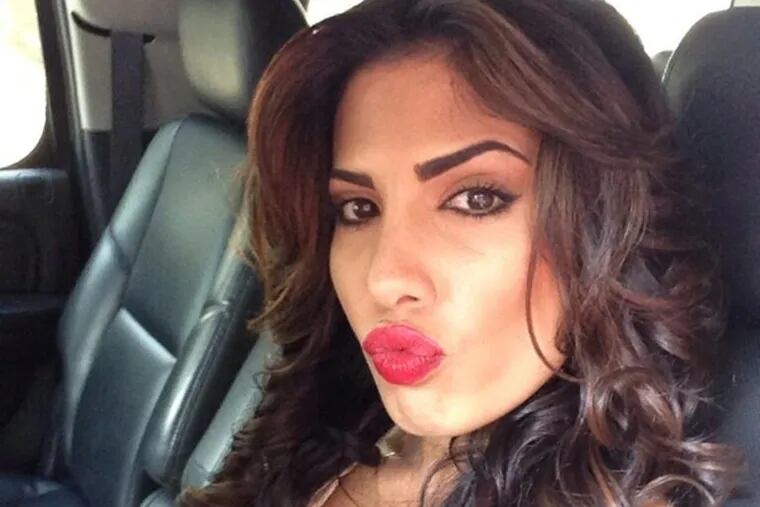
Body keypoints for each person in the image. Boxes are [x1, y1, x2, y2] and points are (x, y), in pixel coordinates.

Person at [179, 0, 744, 505]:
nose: (383, 279)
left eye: (476, 199)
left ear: (607, 225)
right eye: (358, 208)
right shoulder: (321, 411)